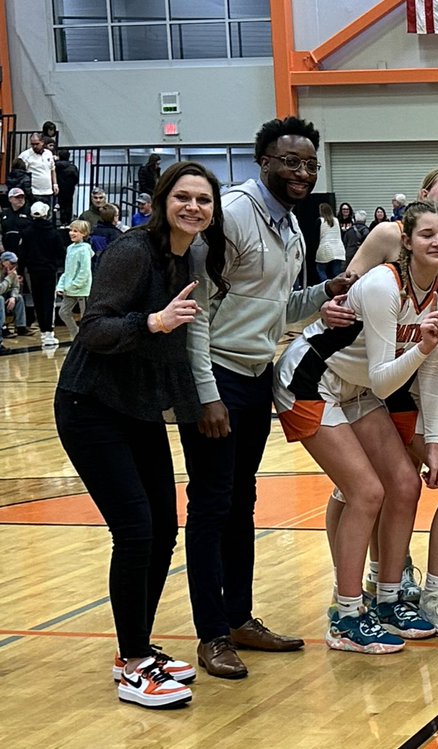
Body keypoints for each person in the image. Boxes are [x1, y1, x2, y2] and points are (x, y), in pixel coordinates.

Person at [183, 116, 354, 679]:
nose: (302, 171)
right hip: (218, 378)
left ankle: (238, 618)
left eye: (309, 162)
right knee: (211, 506)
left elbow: (272, 307)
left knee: (241, 502)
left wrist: (322, 294)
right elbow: (197, 312)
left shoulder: (292, 222)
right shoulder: (231, 213)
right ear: (264, 162)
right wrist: (206, 393)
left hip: (256, 374)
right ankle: (211, 634)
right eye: (289, 161)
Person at [54, 160, 224, 709]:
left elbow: (173, 352)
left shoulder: (187, 259)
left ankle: (140, 650)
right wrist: (151, 322)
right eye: (183, 197)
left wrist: (200, 407)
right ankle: (131, 665)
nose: (193, 206)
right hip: (91, 406)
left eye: (203, 199)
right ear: (161, 200)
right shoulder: (132, 251)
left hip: (138, 411)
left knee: (163, 530)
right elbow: (94, 327)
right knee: (135, 531)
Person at [274, 200, 438, 649]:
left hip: (355, 389)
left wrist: (434, 444)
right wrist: (422, 348)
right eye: (427, 235)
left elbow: (432, 373)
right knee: (366, 491)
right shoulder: (384, 285)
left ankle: (388, 598)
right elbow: (385, 381)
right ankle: (345, 613)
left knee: (405, 484)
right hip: (309, 382)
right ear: (407, 241)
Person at [18, 201, 66, 347]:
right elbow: (61, 253)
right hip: (49, 270)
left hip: (33, 271)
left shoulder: (26, 232)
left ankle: (43, 331)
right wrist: (55, 264)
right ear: (46, 214)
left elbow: (22, 254)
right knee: (48, 301)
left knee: (38, 300)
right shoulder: (53, 232)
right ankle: (49, 332)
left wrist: (21, 271)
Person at [56, 220, 94, 339]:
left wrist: (75, 284)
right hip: (69, 289)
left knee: (85, 317)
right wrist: (61, 286)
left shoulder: (85, 249)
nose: (72, 233)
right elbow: (68, 270)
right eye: (71, 230)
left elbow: (85, 270)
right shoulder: (70, 248)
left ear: (83, 233)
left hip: (82, 290)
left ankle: (85, 340)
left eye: (75, 231)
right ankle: (76, 335)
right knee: (63, 312)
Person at [18, 134, 58, 209]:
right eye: (32, 144)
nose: (35, 146)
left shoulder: (48, 153)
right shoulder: (25, 155)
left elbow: (52, 169)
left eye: (37, 144)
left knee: (47, 215)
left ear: (42, 142)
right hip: (33, 192)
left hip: (48, 192)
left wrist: (55, 184)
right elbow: (20, 173)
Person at [315, 202, 346, 281]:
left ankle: (325, 286)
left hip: (325, 248)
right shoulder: (336, 220)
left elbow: (316, 236)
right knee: (336, 272)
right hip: (338, 249)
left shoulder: (320, 221)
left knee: (321, 269)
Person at [0, 251, 29, 338]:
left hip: (6, 297)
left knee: (18, 297)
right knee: (0, 298)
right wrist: (9, 278)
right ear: (3, 262)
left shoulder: (13, 272)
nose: (14, 265)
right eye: (11, 263)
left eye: (15, 263)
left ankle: (21, 327)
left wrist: (13, 297)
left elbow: (16, 287)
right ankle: (2, 328)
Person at [2, 188, 31, 255]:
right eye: (17, 197)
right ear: (10, 199)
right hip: (7, 249)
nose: (20, 199)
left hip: (25, 250)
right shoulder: (4, 214)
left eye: (22, 197)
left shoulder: (30, 212)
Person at [55, 149, 80, 222]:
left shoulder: (55, 166)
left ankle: (59, 220)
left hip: (58, 189)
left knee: (59, 204)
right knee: (68, 205)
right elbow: (76, 179)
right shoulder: (72, 167)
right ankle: (68, 221)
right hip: (69, 189)